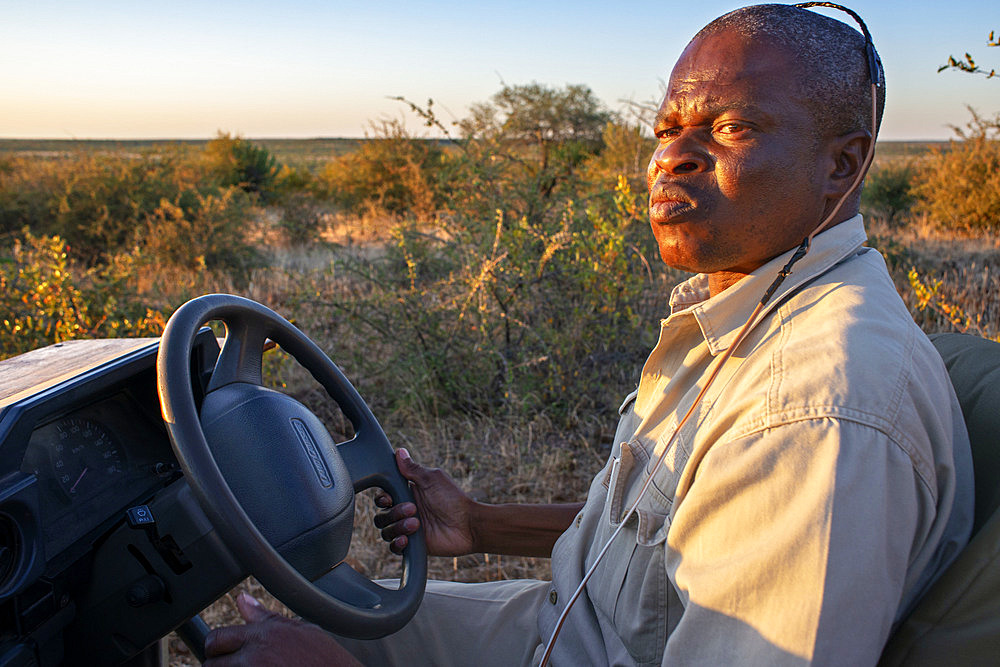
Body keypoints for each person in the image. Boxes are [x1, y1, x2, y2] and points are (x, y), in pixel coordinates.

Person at [204, 4, 973, 665]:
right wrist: (479, 522)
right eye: (668, 127)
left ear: (843, 165)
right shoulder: (749, 308)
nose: (673, 154)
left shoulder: (809, 412)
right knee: (333, 621)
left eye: (731, 127)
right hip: (565, 623)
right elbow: (662, 539)